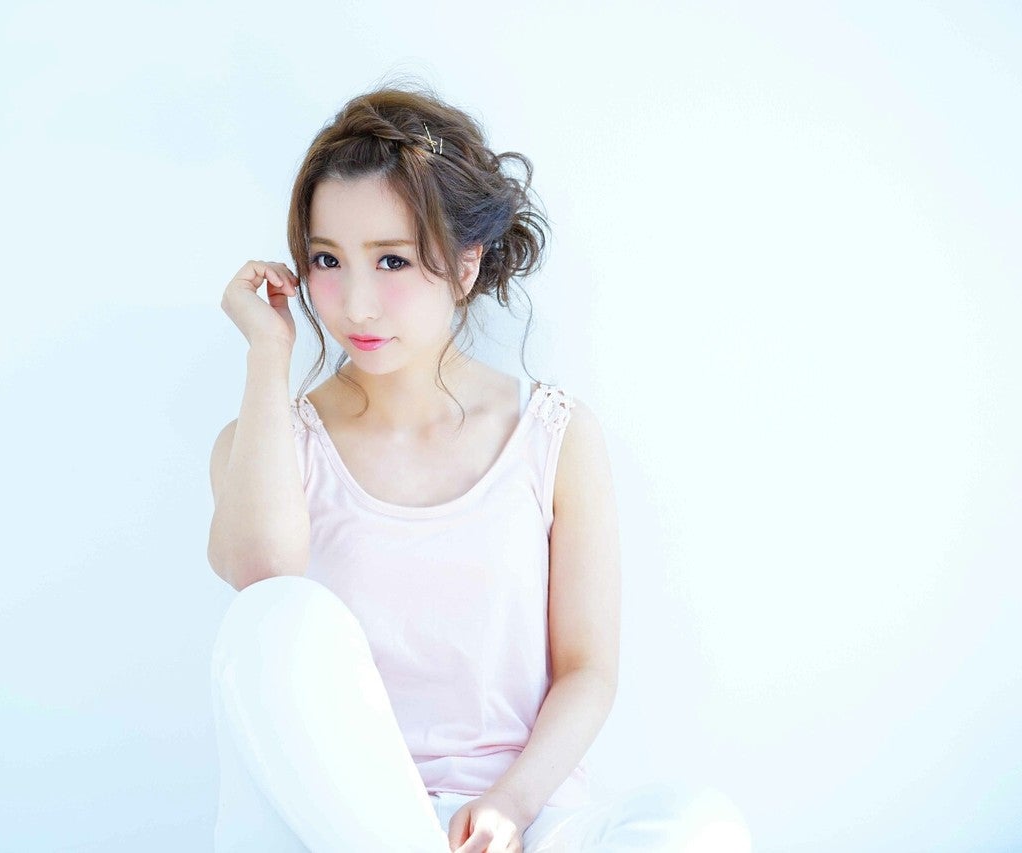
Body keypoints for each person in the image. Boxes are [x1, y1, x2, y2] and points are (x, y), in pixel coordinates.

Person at [206, 81, 753, 852]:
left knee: (700, 826)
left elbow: (588, 669)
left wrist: (509, 806)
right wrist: (269, 353)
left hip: (516, 818)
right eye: (328, 259)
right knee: (273, 618)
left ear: (467, 265)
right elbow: (261, 578)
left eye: (391, 260)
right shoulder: (269, 441)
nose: (356, 304)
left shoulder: (554, 436)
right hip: (337, 824)